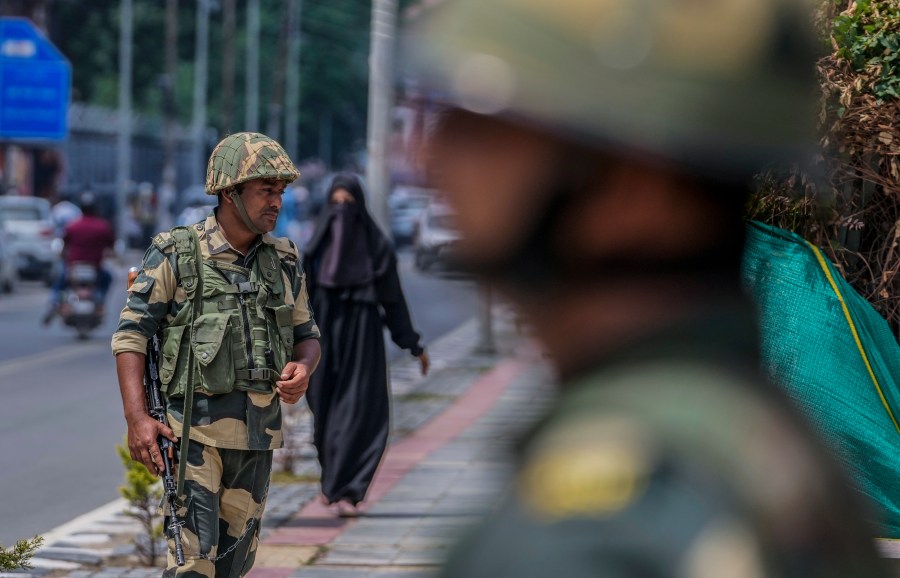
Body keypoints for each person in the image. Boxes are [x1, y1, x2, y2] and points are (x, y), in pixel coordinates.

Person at [407, 1, 893, 576]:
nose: (421, 158)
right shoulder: (758, 436)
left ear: (634, 188)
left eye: (480, 127)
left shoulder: (599, 534)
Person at [112, 132, 321, 578]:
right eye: (266, 190)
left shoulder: (283, 261)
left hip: (258, 440)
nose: (276, 203)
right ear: (230, 192)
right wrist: (137, 419)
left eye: (280, 192)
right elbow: (131, 335)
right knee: (192, 565)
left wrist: (302, 367)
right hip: (192, 438)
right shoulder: (177, 253)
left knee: (231, 569)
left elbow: (307, 334)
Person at [303, 173, 429, 517]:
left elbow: (394, 301)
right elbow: (297, 305)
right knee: (325, 413)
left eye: (350, 205)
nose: (342, 212)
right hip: (321, 337)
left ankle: (350, 489)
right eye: (336, 205)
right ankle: (331, 484)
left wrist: (413, 345)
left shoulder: (377, 248)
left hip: (364, 336)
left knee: (362, 412)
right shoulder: (313, 252)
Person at [43, 191, 114, 324]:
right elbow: (112, 246)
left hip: (74, 267)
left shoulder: (73, 225)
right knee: (108, 278)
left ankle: (54, 302)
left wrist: (63, 255)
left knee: (60, 282)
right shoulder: (103, 226)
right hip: (95, 267)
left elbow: (64, 244)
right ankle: (100, 304)